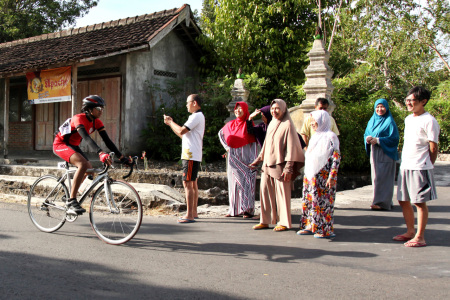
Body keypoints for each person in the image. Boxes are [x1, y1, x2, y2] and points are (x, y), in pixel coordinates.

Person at [53, 95, 131, 214]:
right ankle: (71, 201)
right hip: (61, 144)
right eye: (99, 109)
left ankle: (69, 194)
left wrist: (122, 157)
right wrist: (100, 153)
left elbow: (107, 141)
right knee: (82, 164)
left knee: (89, 170)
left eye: (102, 109)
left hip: (73, 145)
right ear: (89, 109)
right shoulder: (78, 118)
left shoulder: (97, 122)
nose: (101, 111)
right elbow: (87, 138)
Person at [394, 87, 439, 247]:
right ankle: (410, 231)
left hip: (420, 166)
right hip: (405, 165)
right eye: (407, 100)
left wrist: (428, 164)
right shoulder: (408, 119)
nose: (408, 103)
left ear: (423, 101)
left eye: (411, 100)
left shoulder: (429, 120)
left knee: (419, 202)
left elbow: (433, 147)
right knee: (403, 199)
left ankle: (420, 237)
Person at [249, 99, 305, 232]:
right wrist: (258, 159)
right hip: (267, 165)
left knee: (282, 195)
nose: (274, 111)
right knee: (264, 192)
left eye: (277, 108)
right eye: (272, 109)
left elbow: (291, 148)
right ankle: (265, 220)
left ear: (284, 109)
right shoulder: (272, 123)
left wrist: (289, 167)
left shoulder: (287, 125)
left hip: (281, 165)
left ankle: (284, 222)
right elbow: (266, 145)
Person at [298, 110, 341, 239]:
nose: (311, 123)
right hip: (311, 176)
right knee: (310, 201)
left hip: (324, 177)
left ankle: (325, 230)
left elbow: (336, 157)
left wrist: (332, 176)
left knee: (323, 203)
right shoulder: (315, 136)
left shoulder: (331, 136)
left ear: (322, 120)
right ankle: (310, 226)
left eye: (314, 120)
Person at [164, 94, 205, 223]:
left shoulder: (196, 116)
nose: (186, 105)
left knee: (187, 183)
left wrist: (171, 122)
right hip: (192, 153)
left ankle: (189, 214)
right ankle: (193, 212)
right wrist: (171, 124)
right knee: (192, 182)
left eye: (188, 102)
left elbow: (181, 131)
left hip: (190, 155)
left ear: (194, 103)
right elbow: (184, 135)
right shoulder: (198, 116)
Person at [219, 102, 258, 218]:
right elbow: (221, 134)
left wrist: (254, 159)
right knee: (233, 184)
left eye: (241, 109)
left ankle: (247, 210)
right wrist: (227, 148)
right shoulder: (230, 125)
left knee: (247, 182)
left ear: (245, 110)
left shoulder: (249, 125)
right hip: (233, 158)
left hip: (246, 158)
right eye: (236, 109)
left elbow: (254, 143)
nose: (238, 111)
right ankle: (234, 210)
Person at [364, 98, 399, 211]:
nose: (380, 109)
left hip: (386, 152)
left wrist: (378, 140)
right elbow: (367, 133)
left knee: (384, 178)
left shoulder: (389, 121)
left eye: (382, 107)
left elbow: (394, 139)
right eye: (377, 107)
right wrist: (368, 138)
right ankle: (383, 200)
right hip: (375, 152)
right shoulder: (372, 120)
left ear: (387, 108)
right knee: (376, 178)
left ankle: (382, 203)